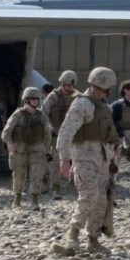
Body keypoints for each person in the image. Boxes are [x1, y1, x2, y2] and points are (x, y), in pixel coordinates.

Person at [51, 67, 120, 256]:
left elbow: (109, 135)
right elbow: (66, 132)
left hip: (102, 158)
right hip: (83, 157)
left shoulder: (103, 107)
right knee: (89, 195)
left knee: (100, 199)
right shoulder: (82, 104)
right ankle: (72, 236)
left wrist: (114, 156)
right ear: (103, 87)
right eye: (108, 88)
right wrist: (64, 159)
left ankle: (93, 239)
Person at [1, 87, 51, 211]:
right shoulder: (18, 114)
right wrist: (9, 144)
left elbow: (46, 134)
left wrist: (47, 149)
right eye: (32, 99)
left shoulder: (41, 115)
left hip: (37, 149)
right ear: (26, 100)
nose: (35, 101)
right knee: (19, 174)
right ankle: (17, 198)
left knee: (37, 174)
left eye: (37, 99)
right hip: (20, 149)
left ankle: (34, 200)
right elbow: (6, 132)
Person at [42, 70, 81, 198]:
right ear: (61, 83)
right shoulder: (53, 96)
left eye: (70, 85)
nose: (67, 88)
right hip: (57, 134)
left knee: (76, 161)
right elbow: (44, 114)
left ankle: (75, 185)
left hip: (74, 134)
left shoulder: (78, 97)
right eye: (65, 85)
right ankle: (55, 188)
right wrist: (50, 129)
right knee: (55, 162)